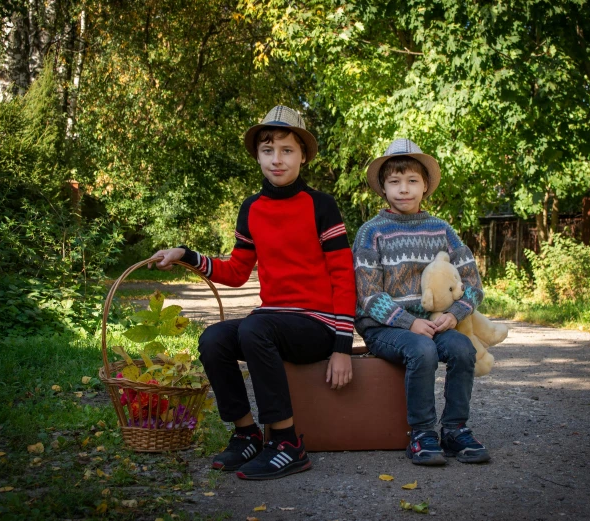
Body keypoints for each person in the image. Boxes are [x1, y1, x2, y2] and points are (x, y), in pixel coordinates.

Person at [150, 105, 356, 480]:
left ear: (303, 156)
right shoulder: (252, 208)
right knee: (214, 338)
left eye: (287, 150)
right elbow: (236, 271)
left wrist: (342, 347)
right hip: (273, 320)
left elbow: (344, 276)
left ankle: (287, 443)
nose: (277, 159)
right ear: (258, 155)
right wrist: (188, 255)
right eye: (268, 150)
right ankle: (246, 433)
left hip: (317, 324)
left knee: (253, 329)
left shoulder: (321, 205)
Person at [352, 138, 490, 465]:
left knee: (462, 349)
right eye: (394, 182)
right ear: (382, 189)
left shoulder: (442, 230)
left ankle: (455, 429)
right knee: (422, 350)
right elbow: (368, 294)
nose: (404, 189)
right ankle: (422, 432)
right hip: (384, 326)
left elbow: (471, 282)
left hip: (435, 322)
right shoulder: (371, 232)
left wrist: (455, 314)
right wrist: (408, 322)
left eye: (412, 181)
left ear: (425, 186)